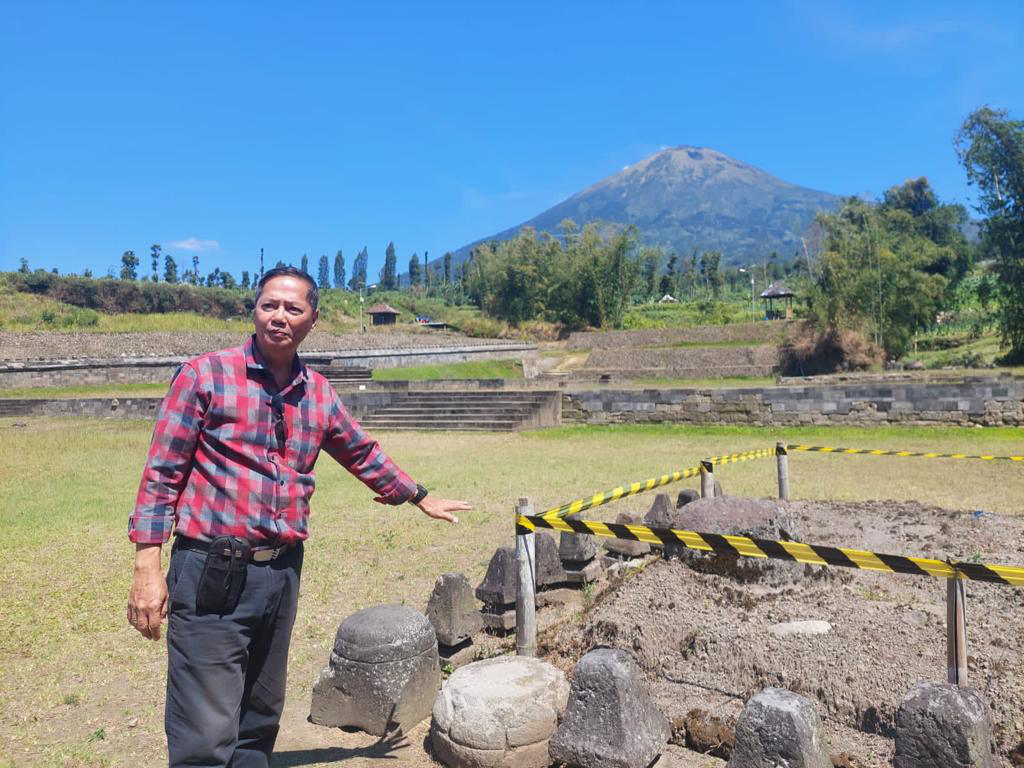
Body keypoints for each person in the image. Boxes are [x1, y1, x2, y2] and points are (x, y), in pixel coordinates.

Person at [127, 266, 469, 767]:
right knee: (204, 731)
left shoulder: (318, 392)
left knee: (258, 718)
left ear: (312, 321)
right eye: (269, 305)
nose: (279, 317)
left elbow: (361, 451)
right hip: (211, 569)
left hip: (281, 570)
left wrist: (417, 495)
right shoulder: (205, 376)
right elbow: (162, 471)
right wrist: (147, 568)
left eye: (293, 308)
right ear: (254, 310)